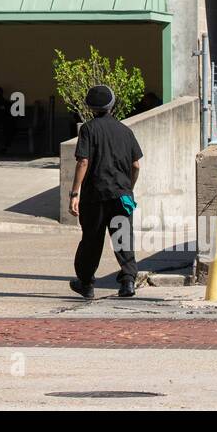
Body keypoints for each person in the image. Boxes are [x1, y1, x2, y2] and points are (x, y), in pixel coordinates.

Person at [68, 84, 141, 299]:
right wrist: (129, 187)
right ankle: (128, 281)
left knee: (92, 239)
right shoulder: (125, 131)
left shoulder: (88, 129)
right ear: (112, 104)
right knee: (122, 238)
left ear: (90, 106)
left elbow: (83, 161)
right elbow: (136, 165)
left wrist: (74, 193)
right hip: (122, 194)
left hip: (95, 196)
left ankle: (86, 283)